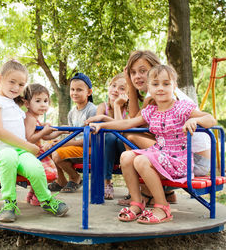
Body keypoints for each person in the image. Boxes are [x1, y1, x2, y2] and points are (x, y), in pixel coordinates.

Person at [89, 65, 217, 224]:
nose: (161, 88)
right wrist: (102, 125)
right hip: (160, 154)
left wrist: (195, 120)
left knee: (140, 160)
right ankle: (137, 203)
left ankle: (162, 207)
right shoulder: (151, 111)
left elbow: (210, 119)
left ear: (174, 86)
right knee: (126, 156)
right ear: (149, 87)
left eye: (166, 84)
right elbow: (127, 123)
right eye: (155, 84)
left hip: (179, 161)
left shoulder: (182, 108)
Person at [119, 50, 211, 206]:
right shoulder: (158, 91)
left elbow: (133, 122)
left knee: (130, 136)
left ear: (156, 69)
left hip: (193, 160)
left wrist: (129, 85)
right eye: (132, 73)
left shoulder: (157, 94)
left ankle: (148, 193)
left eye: (143, 71)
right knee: (134, 139)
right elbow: (136, 120)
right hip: (193, 157)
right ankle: (167, 193)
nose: (137, 76)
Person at [0, 60, 68, 223]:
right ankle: (9, 204)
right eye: (11, 82)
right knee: (8, 157)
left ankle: (46, 201)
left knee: (35, 167)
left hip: (20, 152)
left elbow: (31, 121)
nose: (16, 87)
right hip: (0, 153)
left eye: (21, 84)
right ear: (0, 79)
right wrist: (28, 145)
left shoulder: (15, 105)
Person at [48, 73, 97, 193]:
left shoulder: (92, 109)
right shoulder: (72, 112)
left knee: (58, 154)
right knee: (48, 147)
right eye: (72, 89)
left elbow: (91, 139)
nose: (74, 92)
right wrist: (61, 140)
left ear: (89, 92)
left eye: (79, 90)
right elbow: (72, 134)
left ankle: (75, 178)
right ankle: (61, 180)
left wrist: (65, 144)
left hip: (90, 148)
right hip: (77, 146)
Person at [85, 73, 128, 200]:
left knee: (119, 138)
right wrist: (103, 117)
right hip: (105, 152)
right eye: (113, 86)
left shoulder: (129, 109)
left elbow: (121, 130)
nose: (116, 90)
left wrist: (115, 108)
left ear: (127, 94)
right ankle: (106, 182)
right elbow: (97, 126)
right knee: (109, 137)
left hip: (122, 152)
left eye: (121, 88)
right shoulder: (102, 106)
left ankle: (132, 187)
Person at [23, 83, 67, 206]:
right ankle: (39, 197)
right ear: (27, 103)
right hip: (31, 153)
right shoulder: (30, 118)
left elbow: (46, 136)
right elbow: (29, 139)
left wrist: (61, 130)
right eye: (38, 101)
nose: (43, 104)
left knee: (44, 174)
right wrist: (44, 131)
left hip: (36, 152)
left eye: (46, 101)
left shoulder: (35, 118)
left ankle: (31, 195)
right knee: (47, 174)